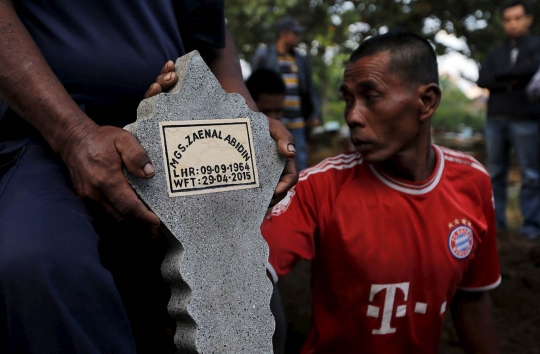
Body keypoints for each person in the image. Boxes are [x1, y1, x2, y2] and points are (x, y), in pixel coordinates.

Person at [0, 1, 297, 352]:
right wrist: (73, 135)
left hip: (179, 131)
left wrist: (247, 127)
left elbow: (214, 40)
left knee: (246, 311)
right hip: (48, 130)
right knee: (40, 267)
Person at [261, 32, 501, 353]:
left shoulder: (473, 182)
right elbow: (245, 274)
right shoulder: (319, 186)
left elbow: (471, 298)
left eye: (370, 96)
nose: (352, 116)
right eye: (348, 99)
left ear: (426, 102)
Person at [477, 0, 540, 240]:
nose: (512, 24)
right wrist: (516, 79)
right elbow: (483, 80)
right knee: (494, 174)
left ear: (528, 19)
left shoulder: (536, 46)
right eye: (507, 19)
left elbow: (531, 70)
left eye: (517, 18)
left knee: (531, 174)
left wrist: (502, 78)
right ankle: (497, 225)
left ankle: (532, 227)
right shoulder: (495, 52)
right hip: (495, 119)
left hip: (527, 119)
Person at [251, 16, 321, 171]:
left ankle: (300, 194)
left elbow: (310, 88)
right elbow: (255, 85)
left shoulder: (300, 60)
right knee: (271, 161)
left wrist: (314, 114)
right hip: (273, 121)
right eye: (295, 33)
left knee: (299, 160)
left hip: (297, 121)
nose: (298, 37)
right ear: (284, 34)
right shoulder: (264, 55)